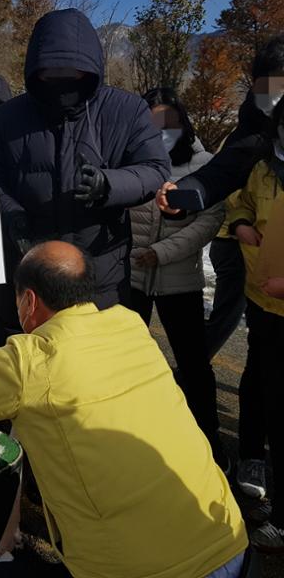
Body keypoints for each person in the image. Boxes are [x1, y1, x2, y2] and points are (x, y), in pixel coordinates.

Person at [0, 241, 249, 578]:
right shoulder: (130, 327)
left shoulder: (27, 362)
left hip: (143, 570)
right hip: (229, 542)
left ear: (29, 301)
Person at [0, 8, 170, 345]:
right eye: (51, 73)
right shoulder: (7, 118)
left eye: (73, 72)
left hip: (100, 273)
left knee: (98, 369)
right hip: (28, 272)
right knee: (28, 368)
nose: (61, 81)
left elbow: (155, 169)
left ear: (92, 68)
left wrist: (109, 184)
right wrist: (11, 215)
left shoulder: (126, 111)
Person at [156, 38, 284, 358]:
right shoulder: (253, 133)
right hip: (250, 262)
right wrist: (186, 194)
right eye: (268, 84)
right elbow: (222, 173)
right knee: (260, 363)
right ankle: (193, 368)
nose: (275, 94)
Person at [128, 87, 227, 468]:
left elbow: (209, 220)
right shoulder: (130, 158)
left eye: (168, 122)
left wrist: (161, 253)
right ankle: (132, 435)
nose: (161, 131)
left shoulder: (204, 163)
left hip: (180, 277)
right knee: (127, 360)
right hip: (134, 275)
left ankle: (210, 441)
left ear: (182, 122)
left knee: (194, 362)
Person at [226, 104, 284, 551]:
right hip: (262, 297)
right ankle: (251, 462)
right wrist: (242, 223)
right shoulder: (263, 169)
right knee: (258, 382)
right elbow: (240, 202)